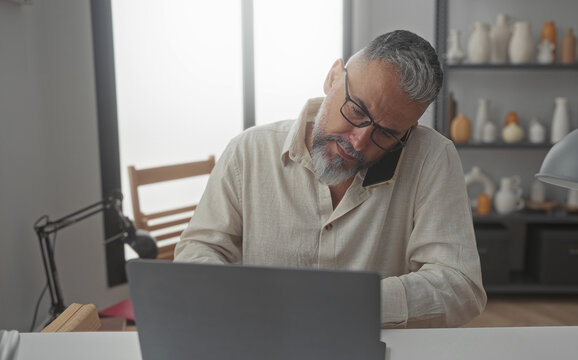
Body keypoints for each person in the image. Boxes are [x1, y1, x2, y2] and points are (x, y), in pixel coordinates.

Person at [174, 30, 486, 328]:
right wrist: (242, 299)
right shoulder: (248, 151)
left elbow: (461, 288)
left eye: (388, 133)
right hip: (260, 340)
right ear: (333, 76)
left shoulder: (432, 157)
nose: (360, 141)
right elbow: (197, 250)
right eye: (356, 109)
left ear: (410, 128)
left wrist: (347, 301)